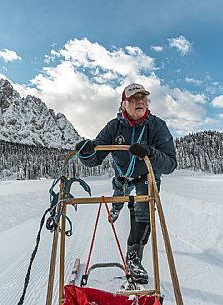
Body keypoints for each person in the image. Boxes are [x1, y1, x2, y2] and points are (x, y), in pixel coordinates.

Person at [74, 83, 177, 284]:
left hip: (146, 177)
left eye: (143, 98)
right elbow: (95, 157)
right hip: (122, 175)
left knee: (143, 212)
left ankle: (134, 258)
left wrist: (151, 152)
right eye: (133, 99)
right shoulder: (114, 127)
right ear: (123, 104)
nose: (139, 101)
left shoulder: (157, 126)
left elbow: (170, 164)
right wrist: (85, 153)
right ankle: (116, 207)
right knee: (119, 196)